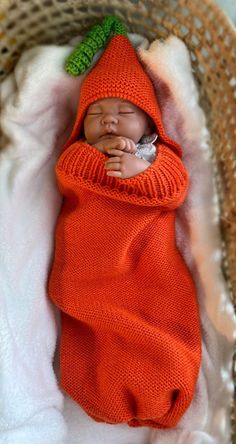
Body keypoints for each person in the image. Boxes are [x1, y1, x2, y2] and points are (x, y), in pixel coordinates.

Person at [48, 16, 201, 429]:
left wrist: (140, 170)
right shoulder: (76, 155)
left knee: (153, 320)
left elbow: (174, 188)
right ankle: (102, 390)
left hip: (146, 266)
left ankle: (160, 382)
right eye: (96, 113)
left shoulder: (156, 155)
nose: (109, 120)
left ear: (150, 122)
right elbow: (68, 176)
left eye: (122, 111)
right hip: (89, 269)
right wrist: (98, 158)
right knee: (93, 322)